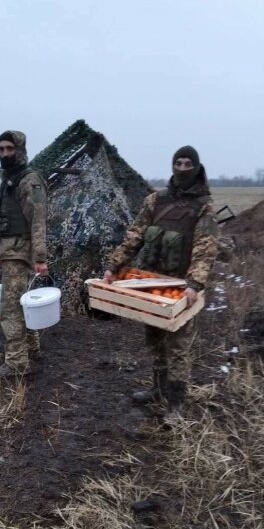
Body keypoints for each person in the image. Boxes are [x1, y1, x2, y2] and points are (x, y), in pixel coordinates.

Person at [103, 146, 218, 422]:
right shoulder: (156, 200)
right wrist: (113, 266)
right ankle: (158, 388)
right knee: (155, 340)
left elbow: (205, 248)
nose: (182, 167)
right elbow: (135, 236)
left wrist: (194, 283)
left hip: (182, 286)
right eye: (178, 162)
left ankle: (176, 404)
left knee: (178, 347)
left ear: (196, 167)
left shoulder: (203, 206)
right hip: (152, 283)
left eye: (188, 163)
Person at [0, 130, 48, 379]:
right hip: (8, 250)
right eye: (1, 149)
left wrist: (41, 258)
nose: (5, 153)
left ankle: (16, 363)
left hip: (19, 252)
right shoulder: (9, 180)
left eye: (9, 149)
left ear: (20, 150)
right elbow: (0, 222)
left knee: (10, 309)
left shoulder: (28, 180)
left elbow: (38, 221)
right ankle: (31, 348)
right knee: (20, 304)